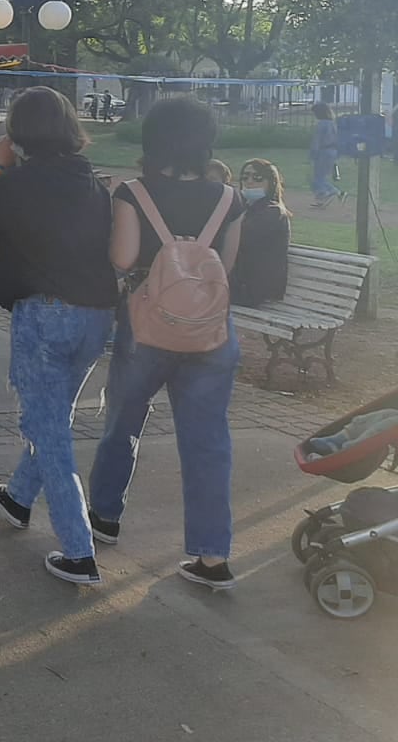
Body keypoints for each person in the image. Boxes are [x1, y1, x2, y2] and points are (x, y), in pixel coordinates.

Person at [0, 88, 120, 585]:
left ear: (19, 132)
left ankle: (78, 550)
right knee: (54, 417)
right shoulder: (91, 180)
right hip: (95, 315)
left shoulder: (20, 182)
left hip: (44, 314)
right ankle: (20, 497)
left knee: (51, 434)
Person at [87, 97, 245, 591]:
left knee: (123, 422)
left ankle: (105, 516)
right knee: (208, 441)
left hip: (147, 324)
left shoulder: (133, 192)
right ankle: (213, 554)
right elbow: (227, 270)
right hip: (211, 330)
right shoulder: (230, 198)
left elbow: (123, 257)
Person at [231, 158, 291, 307]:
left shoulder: (274, 212)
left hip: (256, 289)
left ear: (271, 182)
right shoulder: (246, 209)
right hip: (240, 284)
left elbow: (240, 238)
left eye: (257, 177)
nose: (249, 181)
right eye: (245, 177)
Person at [309, 101, 343, 207]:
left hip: (323, 152)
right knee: (322, 176)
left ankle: (333, 192)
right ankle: (324, 198)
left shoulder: (322, 124)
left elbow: (317, 141)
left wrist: (312, 154)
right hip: (333, 151)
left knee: (318, 177)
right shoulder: (333, 123)